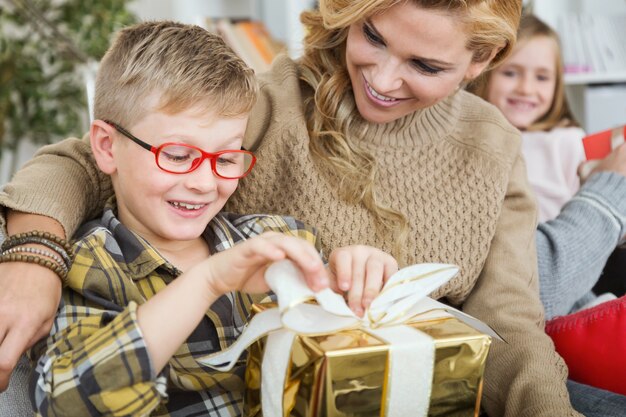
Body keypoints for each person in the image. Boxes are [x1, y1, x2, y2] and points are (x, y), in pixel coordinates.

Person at [0, 1, 601, 415]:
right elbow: (85, 159)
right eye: (373, 36)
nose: (383, 79)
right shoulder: (268, 105)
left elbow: (511, 324)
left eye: (425, 65)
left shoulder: (494, 146)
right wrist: (33, 252)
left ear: (482, 61)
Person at [17, 21, 399, 416]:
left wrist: (361, 286)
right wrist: (209, 281)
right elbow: (69, 402)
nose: (204, 183)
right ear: (106, 146)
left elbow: (348, 374)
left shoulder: (280, 236)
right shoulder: (87, 265)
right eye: (178, 156)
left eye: (226, 159)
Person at [470, 14, 626, 319]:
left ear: (557, 85)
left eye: (542, 78)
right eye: (511, 73)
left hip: (574, 261)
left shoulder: (567, 139)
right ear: (484, 73)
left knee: (594, 307)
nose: (527, 89)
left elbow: (595, 187)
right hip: (517, 261)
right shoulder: (478, 138)